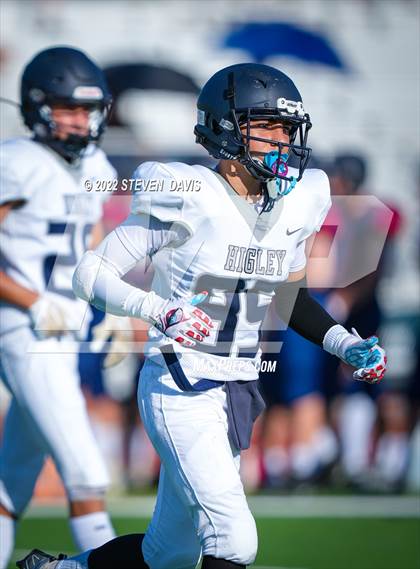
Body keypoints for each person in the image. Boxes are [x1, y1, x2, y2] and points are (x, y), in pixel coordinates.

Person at [18, 63, 387, 569]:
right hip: (180, 386)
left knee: (168, 553)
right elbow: (91, 273)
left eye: (288, 129)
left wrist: (345, 343)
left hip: (236, 391)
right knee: (234, 540)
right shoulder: (187, 194)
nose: (284, 141)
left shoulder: (299, 201)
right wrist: (158, 310)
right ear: (226, 129)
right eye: (268, 127)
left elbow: (288, 296)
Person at [0, 46, 117, 569]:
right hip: (25, 330)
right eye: (68, 108)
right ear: (38, 107)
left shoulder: (95, 165)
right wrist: (35, 301)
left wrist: (108, 300)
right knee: (86, 473)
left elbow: (92, 237)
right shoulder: (15, 163)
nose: (79, 120)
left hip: (65, 332)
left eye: (87, 109)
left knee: (13, 479)